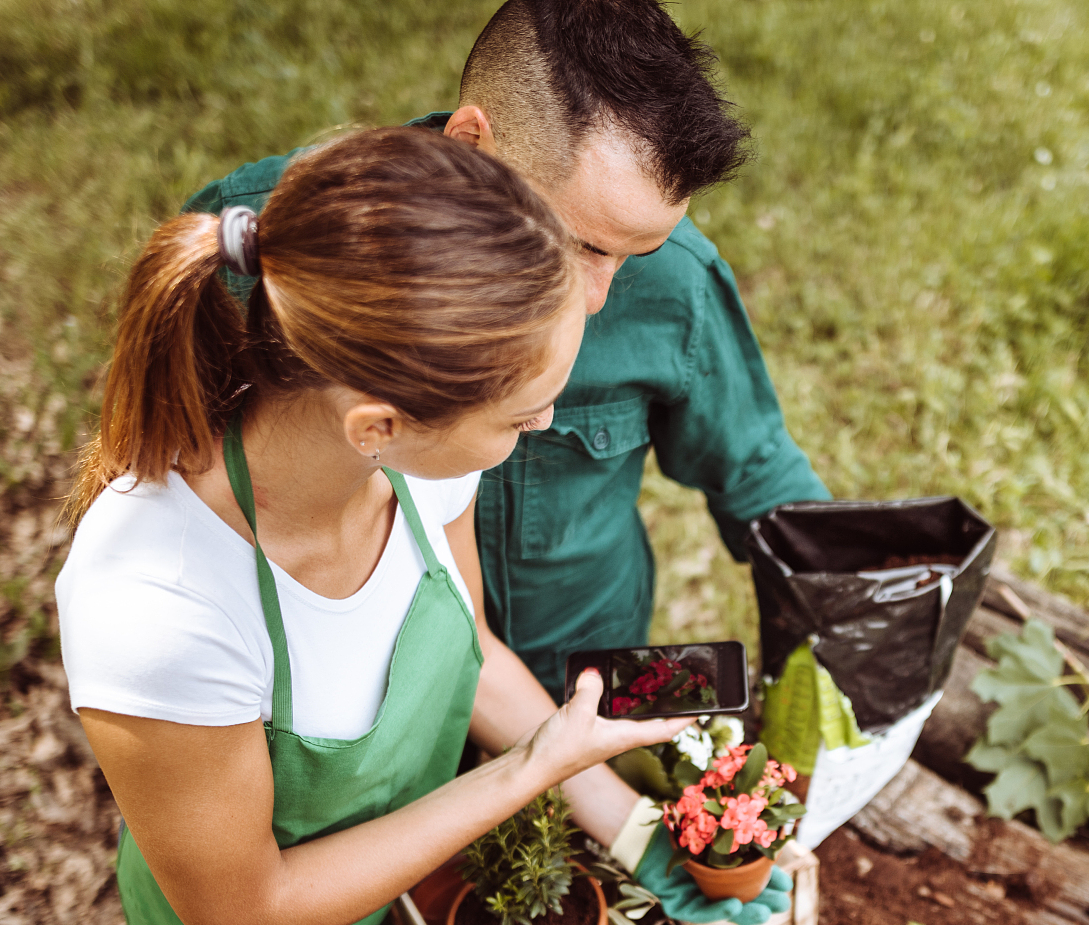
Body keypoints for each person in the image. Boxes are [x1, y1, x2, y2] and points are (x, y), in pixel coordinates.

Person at [56, 127, 747, 925]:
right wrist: (528, 771)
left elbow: (467, 649)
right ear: (376, 423)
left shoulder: (423, 472)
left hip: (409, 877)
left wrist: (622, 814)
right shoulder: (156, 604)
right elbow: (250, 913)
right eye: (519, 416)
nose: (543, 427)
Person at [185, 0, 830, 701]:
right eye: (580, 244)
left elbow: (758, 473)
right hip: (351, 705)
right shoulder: (273, 247)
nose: (595, 298)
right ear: (469, 141)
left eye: (633, 255)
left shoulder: (677, 276)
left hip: (579, 676)